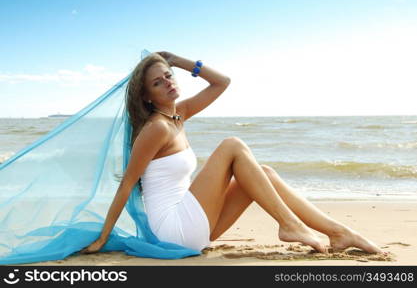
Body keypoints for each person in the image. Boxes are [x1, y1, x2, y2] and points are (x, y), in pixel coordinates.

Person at [81, 51, 383, 255]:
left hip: (194, 227)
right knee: (232, 145)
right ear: (147, 96)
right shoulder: (155, 128)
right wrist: (103, 238)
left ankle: (341, 232)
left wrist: (178, 60)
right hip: (174, 229)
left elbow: (222, 82)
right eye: (157, 83)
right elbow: (127, 183)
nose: (168, 83)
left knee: (264, 174)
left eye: (169, 76)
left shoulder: (179, 114)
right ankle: (290, 225)